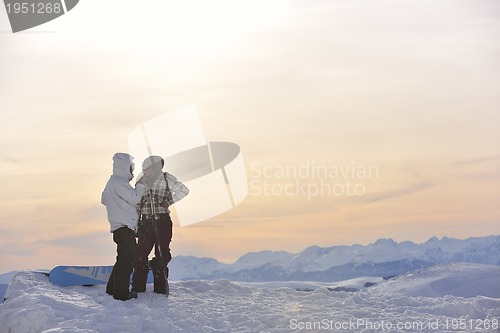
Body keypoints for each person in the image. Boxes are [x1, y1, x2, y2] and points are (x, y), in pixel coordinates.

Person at [132, 155, 189, 295]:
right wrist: (136, 223)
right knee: (140, 253)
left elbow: (184, 190)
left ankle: (161, 287)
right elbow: (137, 204)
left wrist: (168, 201)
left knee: (162, 253)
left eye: (147, 169)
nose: (144, 171)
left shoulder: (166, 178)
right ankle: (138, 287)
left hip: (162, 221)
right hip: (145, 222)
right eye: (143, 169)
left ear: (156, 167)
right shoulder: (140, 182)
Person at [101, 153, 146, 301]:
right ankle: (121, 294)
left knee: (122, 259)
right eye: (131, 166)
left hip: (119, 227)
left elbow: (103, 199)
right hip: (124, 227)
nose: (133, 169)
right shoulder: (119, 182)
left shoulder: (112, 182)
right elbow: (134, 198)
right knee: (127, 261)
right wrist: (140, 185)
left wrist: (118, 207)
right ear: (125, 166)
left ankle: (112, 288)